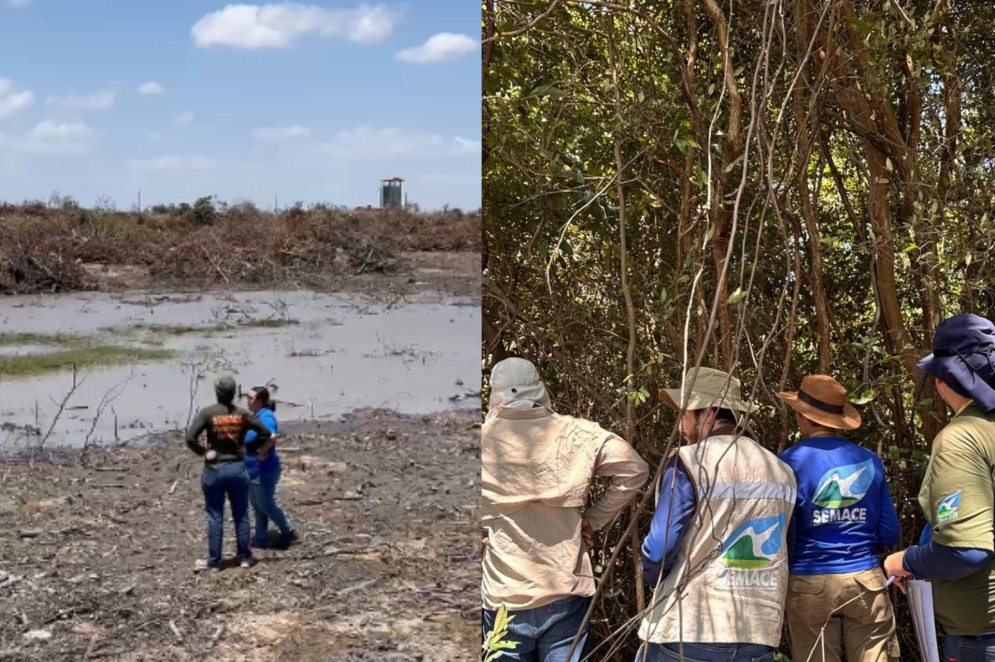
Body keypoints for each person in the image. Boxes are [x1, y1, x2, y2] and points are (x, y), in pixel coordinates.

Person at [481, 357, 649, 662]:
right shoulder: (578, 433)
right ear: (539, 388)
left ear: (496, 393)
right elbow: (635, 470)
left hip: (504, 596)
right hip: (564, 592)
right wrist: (593, 520)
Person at [637, 367, 796, 662]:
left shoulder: (689, 461)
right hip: (758, 630)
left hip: (691, 625)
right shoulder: (781, 470)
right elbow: (788, 547)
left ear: (707, 414)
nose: (681, 425)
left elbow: (659, 549)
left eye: (685, 414)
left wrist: (651, 575)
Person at [884, 313, 995, 660]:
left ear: (945, 379)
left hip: (982, 639)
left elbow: (965, 550)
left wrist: (905, 561)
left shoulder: (961, 439)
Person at [777, 374, 900, 662]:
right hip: (866, 579)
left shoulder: (787, 463)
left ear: (802, 417)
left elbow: (780, 533)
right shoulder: (869, 460)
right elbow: (889, 533)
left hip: (809, 582)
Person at [186, 375, 272, 571]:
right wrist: (248, 448)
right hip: (237, 468)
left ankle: (215, 562)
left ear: (217, 392)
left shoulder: (207, 413)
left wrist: (204, 452)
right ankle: (244, 557)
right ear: (234, 393)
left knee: (215, 515)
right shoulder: (243, 414)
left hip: (214, 468)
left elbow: (190, 438)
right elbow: (265, 434)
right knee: (241, 513)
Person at [244, 386, 297, 549]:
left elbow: (272, 436)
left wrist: (261, 452)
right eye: (247, 397)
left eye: (250, 398)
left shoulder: (266, 417)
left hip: (264, 471)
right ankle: (261, 537)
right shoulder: (256, 416)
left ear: (260, 401)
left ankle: (288, 531)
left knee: (266, 505)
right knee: (256, 504)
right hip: (252, 469)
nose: (247, 401)